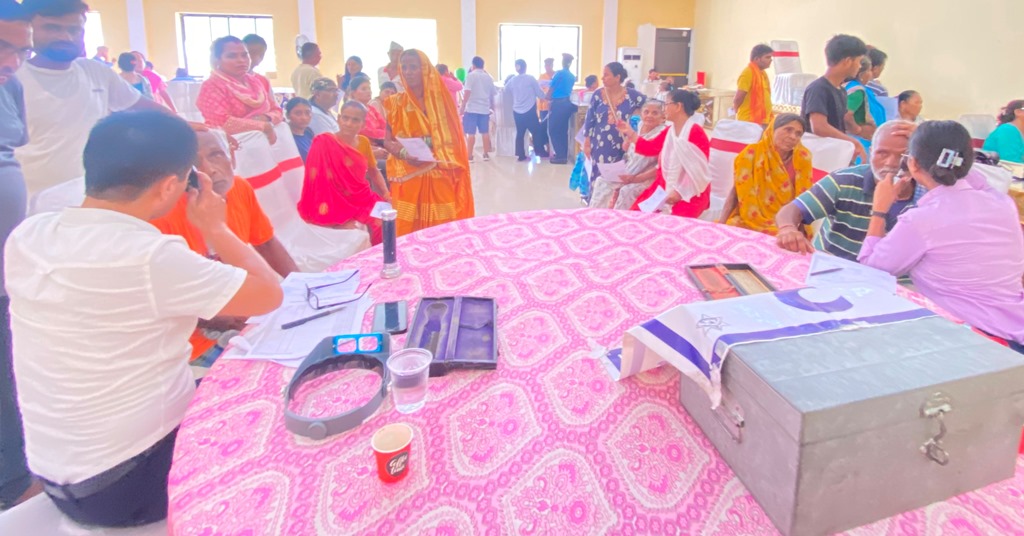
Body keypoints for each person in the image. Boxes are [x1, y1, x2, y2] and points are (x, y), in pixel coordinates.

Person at [4, 111, 283, 527]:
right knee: (277, 397)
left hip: (57, 474)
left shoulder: (29, 236)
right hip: (131, 481)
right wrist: (217, 228)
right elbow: (271, 295)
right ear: (171, 186)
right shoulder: (150, 256)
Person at [859, 121, 1024, 353]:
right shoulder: (1001, 203)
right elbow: (973, 178)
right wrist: (935, 144)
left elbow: (870, 273)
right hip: (1015, 326)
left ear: (912, 163)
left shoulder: (920, 220)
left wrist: (879, 210)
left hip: (974, 339)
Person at [151, 129, 297, 367]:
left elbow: (266, 243)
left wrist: (303, 285)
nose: (209, 169)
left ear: (232, 156)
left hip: (245, 314)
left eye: (216, 155)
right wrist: (218, 317)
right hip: (194, 340)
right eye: (193, 163)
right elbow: (160, 296)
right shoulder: (161, 215)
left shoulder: (240, 188)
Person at [16, 0, 166, 196]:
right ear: (28, 28)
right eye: (52, 28)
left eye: (74, 30)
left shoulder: (95, 72)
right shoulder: (11, 79)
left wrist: (188, 129)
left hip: (92, 198)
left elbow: (147, 109)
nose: (66, 37)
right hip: (30, 202)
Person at [0, 0, 40, 512]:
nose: (12, 62)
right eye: (2, 47)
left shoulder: (10, 86)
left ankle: (14, 479)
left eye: (21, 51)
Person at [774, 120, 918, 260]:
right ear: (871, 152)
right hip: (831, 266)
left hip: (889, 275)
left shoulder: (925, 194)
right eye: (882, 153)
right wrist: (788, 228)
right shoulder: (845, 180)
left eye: (903, 156)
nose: (891, 163)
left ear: (916, 159)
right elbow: (792, 209)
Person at [381, 49, 474, 235]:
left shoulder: (441, 102)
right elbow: (387, 140)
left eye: (413, 67)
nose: (408, 72)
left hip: (439, 171)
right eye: (404, 67)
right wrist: (403, 153)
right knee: (408, 233)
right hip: (407, 175)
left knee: (442, 232)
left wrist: (427, 143)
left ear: (424, 69)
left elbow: (454, 138)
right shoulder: (396, 102)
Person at [300, 100, 391, 244]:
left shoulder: (363, 142)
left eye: (355, 120)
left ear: (363, 124)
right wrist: (337, 220)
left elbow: (374, 171)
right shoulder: (324, 142)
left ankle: (379, 254)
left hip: (361, 197)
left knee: (386, 217)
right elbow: (318, 181)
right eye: (345, 118)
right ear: (338, 118)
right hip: (334, 201)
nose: (349, 123)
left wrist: (386, 194)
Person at [720, 114, 814, 235]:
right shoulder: (751, 153)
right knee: (732, 226)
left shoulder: (802, 158)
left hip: (783, 220)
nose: (793, 137)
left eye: (798, 134)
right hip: (749, 219)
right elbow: (736, 192)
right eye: (788, 130)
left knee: (783, 236)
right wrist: (721, 223)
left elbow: (803, 198)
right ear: (772, 129)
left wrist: (799, 230)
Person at [624, 90, 711, 218]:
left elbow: (697, 171)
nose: (664, 109)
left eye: (666, 104)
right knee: (637, 213)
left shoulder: (695, 132)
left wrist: (679, 192)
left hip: (690, 193)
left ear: (678, 106)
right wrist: (630, 133)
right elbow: (650, 147)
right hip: (664, 185)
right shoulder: (670, 130)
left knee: (670, 222)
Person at [196, 36, 282, 144]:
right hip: (233, 146)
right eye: (232, 56)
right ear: (217, 60)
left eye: (244, 55)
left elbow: (277, 110)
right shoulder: (211, 86)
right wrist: (262, 125)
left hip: (263, 143)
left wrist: (266, 117)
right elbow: (222, 123)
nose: (241, 60)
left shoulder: (255, 82)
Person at [801, 34, 869, 164]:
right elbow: (819, 127)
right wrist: (852, 142)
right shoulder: (818, 88)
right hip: (816, 158)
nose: (860, 66)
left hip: (833, 155)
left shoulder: (841, 90)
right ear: (847, 61)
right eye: (859, 61)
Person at [589, 100, 667, 210]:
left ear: (663, 117)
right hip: (629, 171)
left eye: (655, 113)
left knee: (627, 191)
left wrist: (636, 178)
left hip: (647, 177)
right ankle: (597, 215)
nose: (649, 115)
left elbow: (661, 166)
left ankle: (621, 219)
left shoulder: (663, 133)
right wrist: (627, 144)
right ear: (641, 114)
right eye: (646, 112)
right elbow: (630, 152)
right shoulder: (639, 126)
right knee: (602, 182)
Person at [584, 62, 646, 183]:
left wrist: (640, 128)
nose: (602, 78)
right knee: (599, 178)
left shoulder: (631, 95)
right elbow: (590, 119)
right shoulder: (598, 95)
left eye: (606, 75)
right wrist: (587, 143)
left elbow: (650, 106)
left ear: (617, 77)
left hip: (622, 145)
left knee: (619, 179)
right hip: (600, 144)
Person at [506, 59, 549, 162]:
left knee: (520, 133)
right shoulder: (530, 78)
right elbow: (539, 93)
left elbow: (506, 90)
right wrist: (546, 96)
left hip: (517, 111)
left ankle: (520, 155)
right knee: (536, 131)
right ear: (525, 67)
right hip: (529, 110)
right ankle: (539, 151)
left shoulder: (512, 80)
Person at [461, 56, 496, 162]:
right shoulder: (488, 77)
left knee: (471, 133)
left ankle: (469, 156)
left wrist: (463, 106)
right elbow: (492, 94)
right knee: (485, 132)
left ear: (473, 65)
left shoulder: (471, 76)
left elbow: (467, 92)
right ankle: (486, 154)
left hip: (472, 108)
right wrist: (492, 106)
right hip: (484, 109)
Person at [846, 57, 885, 147]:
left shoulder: (849, 86)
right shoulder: (856, 90)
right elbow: (846, 115)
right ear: (861, 74)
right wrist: (858, 130)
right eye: (869, 70)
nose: (871, 74)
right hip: (859, 140)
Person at [547, 53, 578, 164]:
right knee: (562, 131)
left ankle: (560, 157)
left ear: (563, 62)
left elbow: (552, 88)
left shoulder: (559, 74)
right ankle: (563, 154)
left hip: (558, 104)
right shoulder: (572, 76)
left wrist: (547, 97)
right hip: (567, 104)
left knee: (553, 130)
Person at [734, 44, 774, 125]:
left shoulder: (762, 74)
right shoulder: (748, 73)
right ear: (756, 59)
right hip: (748, 121)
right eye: (767, 57)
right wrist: (735, 111)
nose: (771, 60)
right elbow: (738, 97)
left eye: (771, 57)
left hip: (763, 120)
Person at [347, 75, 386, 141]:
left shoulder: (371, 108)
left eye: (369, 88)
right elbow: (367, 131)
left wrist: (390, 134)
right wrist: (388, 135)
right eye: (364, 89)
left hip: (381, 140)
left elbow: (384, 124)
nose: (369, 91)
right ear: (353, 93)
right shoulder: (352, 110)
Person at [285, 97, 315, 162]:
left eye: (307, 113)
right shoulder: (284, 136)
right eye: (298, 113)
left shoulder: (309, 133)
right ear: (287, 115)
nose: (304, 117)